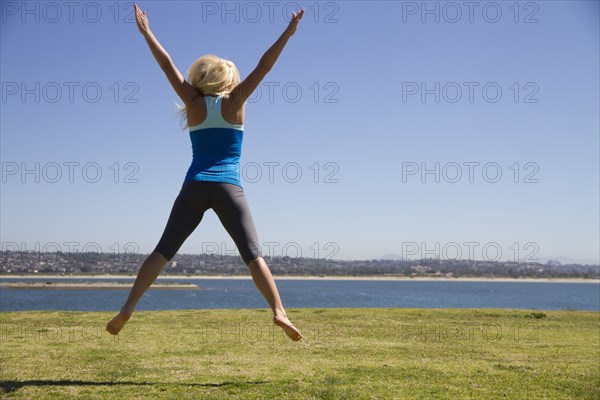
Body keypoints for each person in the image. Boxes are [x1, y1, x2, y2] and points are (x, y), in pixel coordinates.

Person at [106, 3, 304, 341]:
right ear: (229, 80)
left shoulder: (193, 104)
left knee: (163, 250)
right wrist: (287, 33)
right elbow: (264, 66)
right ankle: (279, 311)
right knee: (252, 254)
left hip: (195, 185)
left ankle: (128, 306)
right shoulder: (236, 102)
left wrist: (146, 32)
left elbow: (166, 65)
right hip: (230, 187)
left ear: (201, 76)